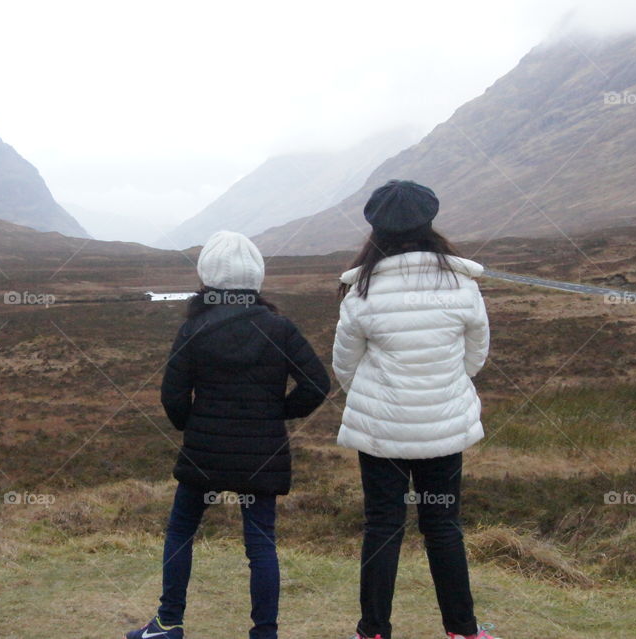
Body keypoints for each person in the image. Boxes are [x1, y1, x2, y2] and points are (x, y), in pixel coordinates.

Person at [125, 230, 331, 639]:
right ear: (255, 277)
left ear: (209, 278)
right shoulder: (280, 328)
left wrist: (194, 425)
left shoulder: (195, 328)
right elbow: (317, 385)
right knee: (260, 543)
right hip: (262, 454)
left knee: (181, 530)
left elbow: (173, 396)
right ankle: (265, 632)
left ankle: (169, 623)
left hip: (206, 454)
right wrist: (276, 416)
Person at [332, 180, 495, 639]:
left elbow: (345, 365)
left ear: (375, 230)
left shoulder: (362, 291)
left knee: (382, 525)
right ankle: (463, 630)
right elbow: (474, 356)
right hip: (443, 426)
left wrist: (375, 395)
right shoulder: (462, 284)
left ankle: (373, 630)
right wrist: (443, 387)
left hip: (381, 430)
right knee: (443, 525)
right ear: (430, 223)